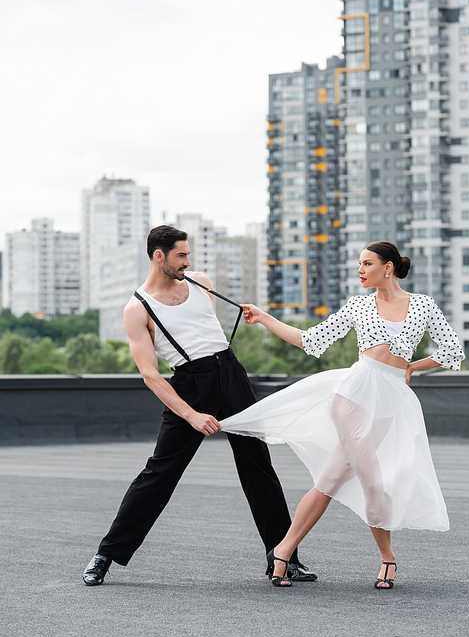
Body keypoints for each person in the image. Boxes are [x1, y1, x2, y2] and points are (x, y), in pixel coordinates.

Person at [221, 241, 465, 589]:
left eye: (367, 263)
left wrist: (412, 365)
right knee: (372, 478)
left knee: (331, 479)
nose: (360, 270)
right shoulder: (358, 307)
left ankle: (283, 551)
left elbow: (453, 351)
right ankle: (387, 556)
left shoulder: (423, 306)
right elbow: (310, 340)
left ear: (389, 267)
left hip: (391, 398)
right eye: (359, 264)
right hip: (354, 392)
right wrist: (263, 317)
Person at [83, 225, 316, 586]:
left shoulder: (200, 282)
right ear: (159, 256)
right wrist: (190, 414)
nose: (187, 262)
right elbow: (151, 375)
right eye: (181, 255)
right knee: (159, 474)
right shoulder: (137, 308)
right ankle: (106, 554)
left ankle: (284, 558)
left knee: (258, 467)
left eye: (188, 255)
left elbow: (209, 333)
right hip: (190, 386)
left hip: (231, 374)